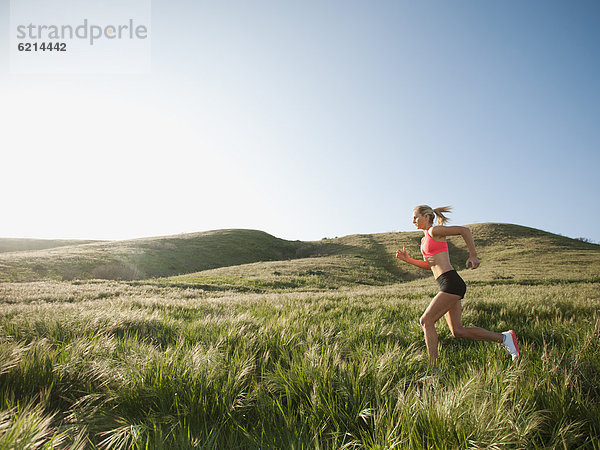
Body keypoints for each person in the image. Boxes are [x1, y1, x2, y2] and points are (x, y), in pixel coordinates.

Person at [395, 205, 519, 367]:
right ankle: (504, 338)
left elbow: (464, 231)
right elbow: (429, 265)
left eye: (415, 217)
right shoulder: (424, 240)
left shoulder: (434, 231)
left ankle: (434, 367)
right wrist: (408, 260)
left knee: (426, 321)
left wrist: (473, 256)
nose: (412, 221)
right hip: (446, 284)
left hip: (451, 282)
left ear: (426, 216)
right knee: (458, 331)